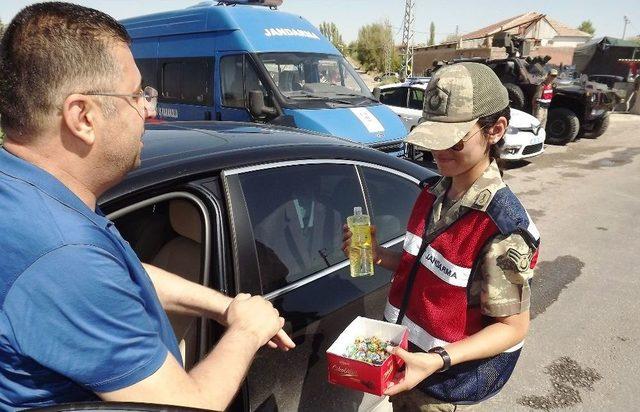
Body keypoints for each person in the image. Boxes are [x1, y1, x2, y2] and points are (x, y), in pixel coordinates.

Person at [0, 3, 294, 410]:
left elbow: (125, 273)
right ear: (82, 116)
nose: (149, 108)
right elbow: (187, 407)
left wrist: (226, 306)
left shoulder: (25, 190)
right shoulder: (65, 257)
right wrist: (246, 330)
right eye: (137, 94)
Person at [342, 62, 540, 411]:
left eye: (454, 140)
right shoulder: (434, 192)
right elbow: (426, 268)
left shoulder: (500, 226)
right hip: (405, 361)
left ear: (495, 130)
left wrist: (436, 361)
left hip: (436, 382)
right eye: (433, 137)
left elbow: (511, 326)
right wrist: (379, 255)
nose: (438, 151)